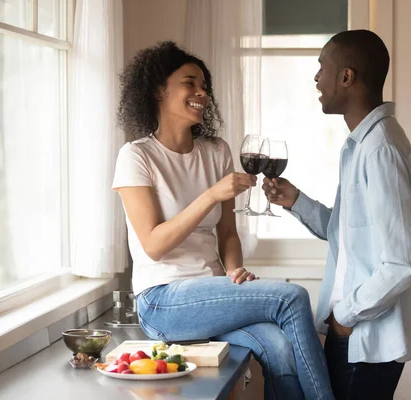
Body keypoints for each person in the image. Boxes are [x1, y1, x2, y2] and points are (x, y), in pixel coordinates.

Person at [112, 41, 334, 400]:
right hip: (163, 301)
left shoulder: (216, 151)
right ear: (158, 90)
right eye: (190, 83)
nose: (202, 93)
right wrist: (211, 195)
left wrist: (234, 272)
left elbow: (228, 234)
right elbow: (153, 245)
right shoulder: (136, 156)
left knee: (278, 347)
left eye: (205, 86)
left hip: (213, 293)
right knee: (291, 296)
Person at [263, 30, 411, 400]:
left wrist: (344, 317)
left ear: (347, 77)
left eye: (322, 68)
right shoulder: (362, 145)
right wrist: (295, 201)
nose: (316, 79)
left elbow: (404, 262)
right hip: (355, 333)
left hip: (366, 337)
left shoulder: (380, 149)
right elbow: (350, 234)